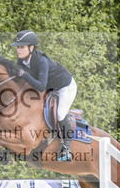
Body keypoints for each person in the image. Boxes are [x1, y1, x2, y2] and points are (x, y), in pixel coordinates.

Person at [10, 30, 77, 162]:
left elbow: (40, 86)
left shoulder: (42, 61)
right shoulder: (22, 60)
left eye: (22, 47)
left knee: (60, 114)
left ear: (31, 48)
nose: (18, 50)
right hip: (50, 88)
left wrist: (24, 75)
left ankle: (66, 147)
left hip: (65, 86)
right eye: (18, 47)